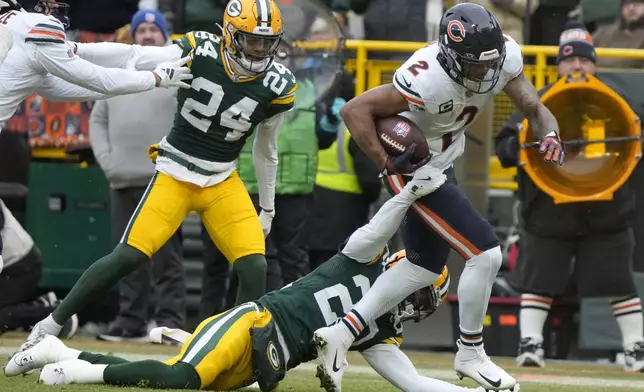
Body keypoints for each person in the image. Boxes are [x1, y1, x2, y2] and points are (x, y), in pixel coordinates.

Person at [4, 171, 510, 392]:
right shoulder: (363, 262)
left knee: (175, 373)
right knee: (181, 378)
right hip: (254, 321)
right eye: (420, 292)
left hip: (258, 365)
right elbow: (373, 229)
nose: (415, 304)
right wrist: (406, 196)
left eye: (425, 301)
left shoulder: (380, 335)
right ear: (402, 268)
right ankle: (70, 369)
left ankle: (65, 356)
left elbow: (416, 384)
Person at [11, 0, 298, 356]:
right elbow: (133, 54)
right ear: (229, 34)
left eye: (266, 42)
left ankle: (241, 354)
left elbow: (265, 150)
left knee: (254, 264)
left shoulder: (278, 83)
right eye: (251, 40)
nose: (259, 49)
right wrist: (77, 49)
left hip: (222, 179)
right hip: (176, 171)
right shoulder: (201, 49)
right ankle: (50, 324)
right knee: (128, 256)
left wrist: (267, 208)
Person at [312, 3, 565, 391]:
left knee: (422, 268)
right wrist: (387, 164)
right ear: (451, 56)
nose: (485, 72)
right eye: (475, 65)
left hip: (443, 160)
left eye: (490, 63)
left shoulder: (500, 57)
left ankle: (342, 333)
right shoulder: (427, 77)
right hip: (414, 168)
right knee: (486, 252)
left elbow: (534, 106)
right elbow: (354, 110)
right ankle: (470, 351)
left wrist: (549, 134)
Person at [495, 21, 644, 371]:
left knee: (618, 280)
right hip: (550, 209)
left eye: (584, 60)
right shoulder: (534, 103)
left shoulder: (620, 102)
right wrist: (515, 144)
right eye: (569, 60)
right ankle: (530, 345)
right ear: (558, 65)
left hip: (604, 209)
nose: (577, 66)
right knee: (539, 279)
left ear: (594, 64)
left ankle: (635, 349)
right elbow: (505, 148)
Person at [89, 9, 187, 342]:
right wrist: (108, 162)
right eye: (141, 30)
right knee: (125, 257)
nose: (146, 35)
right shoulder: (117, 73)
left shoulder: (178, 72)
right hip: (123, 180)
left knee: (166, 258)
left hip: (164, 181)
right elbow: (97, 121)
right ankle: (130, 321)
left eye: (153, 30)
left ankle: (168, 322)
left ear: (164, 35)